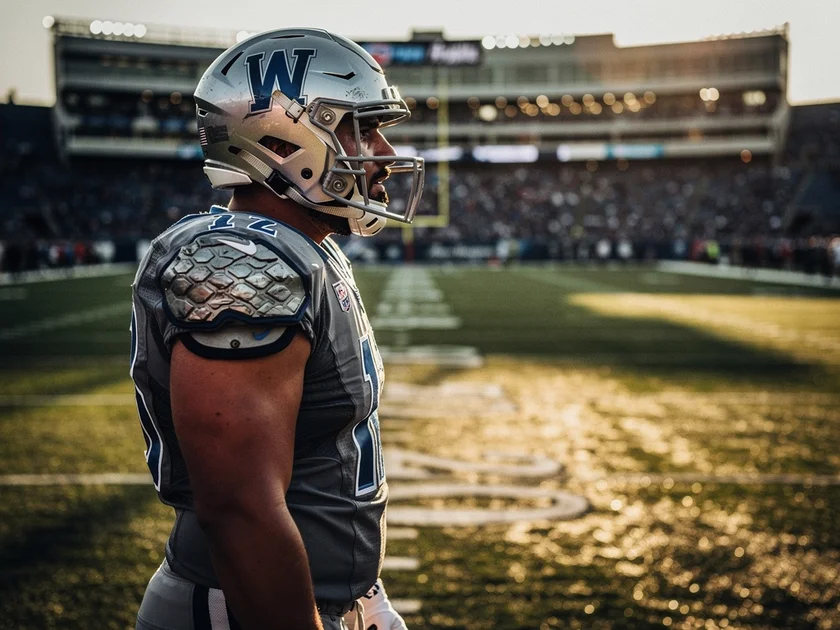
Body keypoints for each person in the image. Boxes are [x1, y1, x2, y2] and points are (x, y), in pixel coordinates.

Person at [129, 28, 424, 630]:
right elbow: (240, 510)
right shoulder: (240, 264)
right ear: (284, 139)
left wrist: (361, 597)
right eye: (362, 129)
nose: (384, 152)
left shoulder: (304, 247)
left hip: (322, 599)